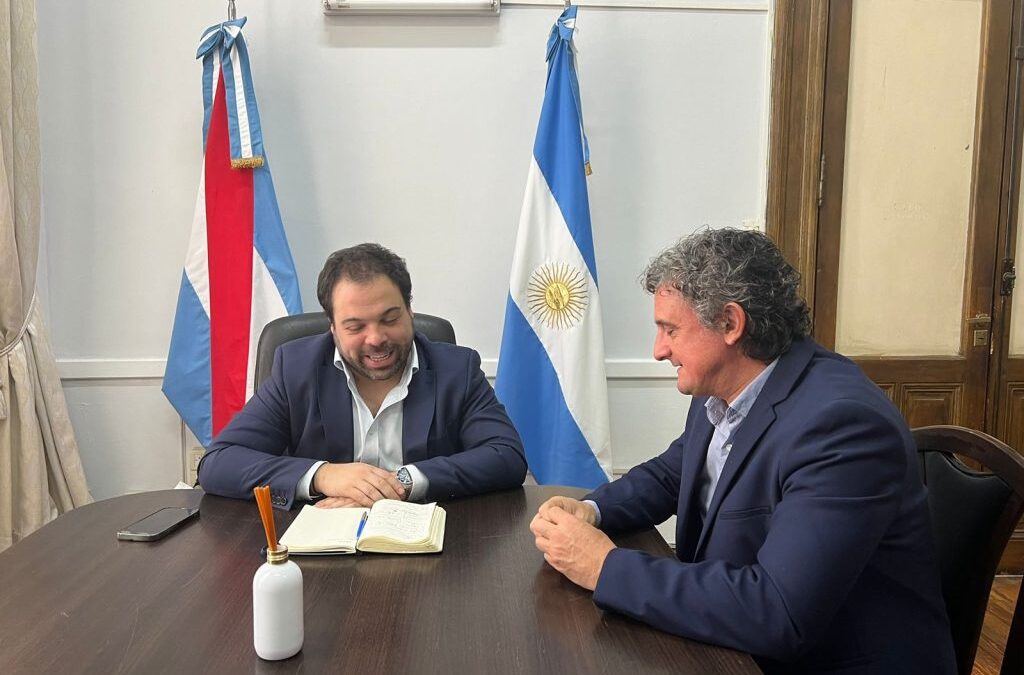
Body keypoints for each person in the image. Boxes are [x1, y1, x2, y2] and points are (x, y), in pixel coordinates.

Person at [530, 228, 955, 674]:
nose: (658, 351)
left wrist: (604, 567)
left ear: (731, 324)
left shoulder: (842, 425)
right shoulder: (721, 387)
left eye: (670, 329)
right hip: (737, 647)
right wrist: (593, 510)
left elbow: (779, 612)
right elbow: (674, 473)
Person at [199, 243, 527, 510]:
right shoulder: (296, 369)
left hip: (428, 545)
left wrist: (400, 483)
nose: (376, 338)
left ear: (409, 311)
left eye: (390, 319)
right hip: (323, 545)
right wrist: (324, 476)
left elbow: (506, 456)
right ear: (333, 327)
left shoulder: (457, 369)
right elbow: (219, 463)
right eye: (355, 326)